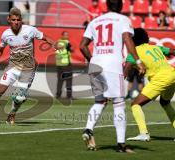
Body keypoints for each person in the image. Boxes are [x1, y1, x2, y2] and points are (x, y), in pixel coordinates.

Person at [80, 0, 145, 152]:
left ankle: (88, 129)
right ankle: (121, 144)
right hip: (112, 65)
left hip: (96, 65)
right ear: (121, 6)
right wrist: (138, 60)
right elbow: (128, 39)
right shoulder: (123, 20)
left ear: (107, 5)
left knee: (100, 101)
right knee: (119, 103)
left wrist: (92, 60)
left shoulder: (94, 21)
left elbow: (82, 45)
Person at [0, 7, 58, 124]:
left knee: (20, 98)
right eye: (13, 20)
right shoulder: (6, 35)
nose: (16, 22)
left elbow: (45, 37)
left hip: (28, 69)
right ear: (8, 19)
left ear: (21, 20)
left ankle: (12, 114)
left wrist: (55, 44)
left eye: (18, 20)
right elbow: (0, 50)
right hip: (12, 66)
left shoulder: (30, 30)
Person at [125, 28, 175, 141]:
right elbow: (172, 51)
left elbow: (126, 69)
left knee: (135, 104)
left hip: (160, 79)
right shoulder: (156, 47)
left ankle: (143, 133)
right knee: (165, 102)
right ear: (146, 38)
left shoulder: (134, 52)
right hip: (172, 74)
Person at [55, 31, 73, 99]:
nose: (67, 36)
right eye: (66, 35)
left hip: (59, 64)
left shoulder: (58, 42)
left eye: (67, 35)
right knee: (68, 80)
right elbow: (71, 49)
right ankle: (69, 95)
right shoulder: (66, 42)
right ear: (62, 36)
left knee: (60, 80)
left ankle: (58, 95)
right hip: (66, 64)